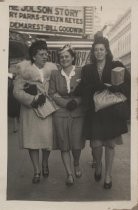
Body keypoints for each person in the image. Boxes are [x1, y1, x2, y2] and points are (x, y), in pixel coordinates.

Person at [76, 34, 130, 189]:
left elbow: (128, 86)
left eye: (101, 49)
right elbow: (83, 89)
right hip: (95, 113)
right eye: (96, 50)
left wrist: (114, 88)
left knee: (110, 145)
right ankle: (98, 164)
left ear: (106, 51)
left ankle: (108, 175)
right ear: (93, 52)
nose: (98, 52)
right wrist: (96, 87)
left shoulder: (117, 65)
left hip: (112, 111)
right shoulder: (87, 69)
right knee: (96, 145)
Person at [13, 40, 58, 184]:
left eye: (46, 54)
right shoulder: (24, 71)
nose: (45, 57)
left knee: (47, 140)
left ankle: (45, 163)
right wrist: (32, 99)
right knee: (32, 141)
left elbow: (55, 88)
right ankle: (36, 170)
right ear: (34, 56)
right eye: (41, 54)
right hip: (30, 111)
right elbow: (16, 91)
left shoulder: (52, 70)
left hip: (47, 109)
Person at [48, 44, 85, 186]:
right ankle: (69, 174)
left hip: (78, 112)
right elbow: (52, 93)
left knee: (76, 145)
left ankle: (76, 163)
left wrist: (76, 101)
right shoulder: (55, 74)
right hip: (61, 112)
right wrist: (65, 103)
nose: (64, 59)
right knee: (64, 144)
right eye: (61, 57)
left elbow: (85, 92)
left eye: (67, 56)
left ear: (73, 57)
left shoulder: (81, 72)